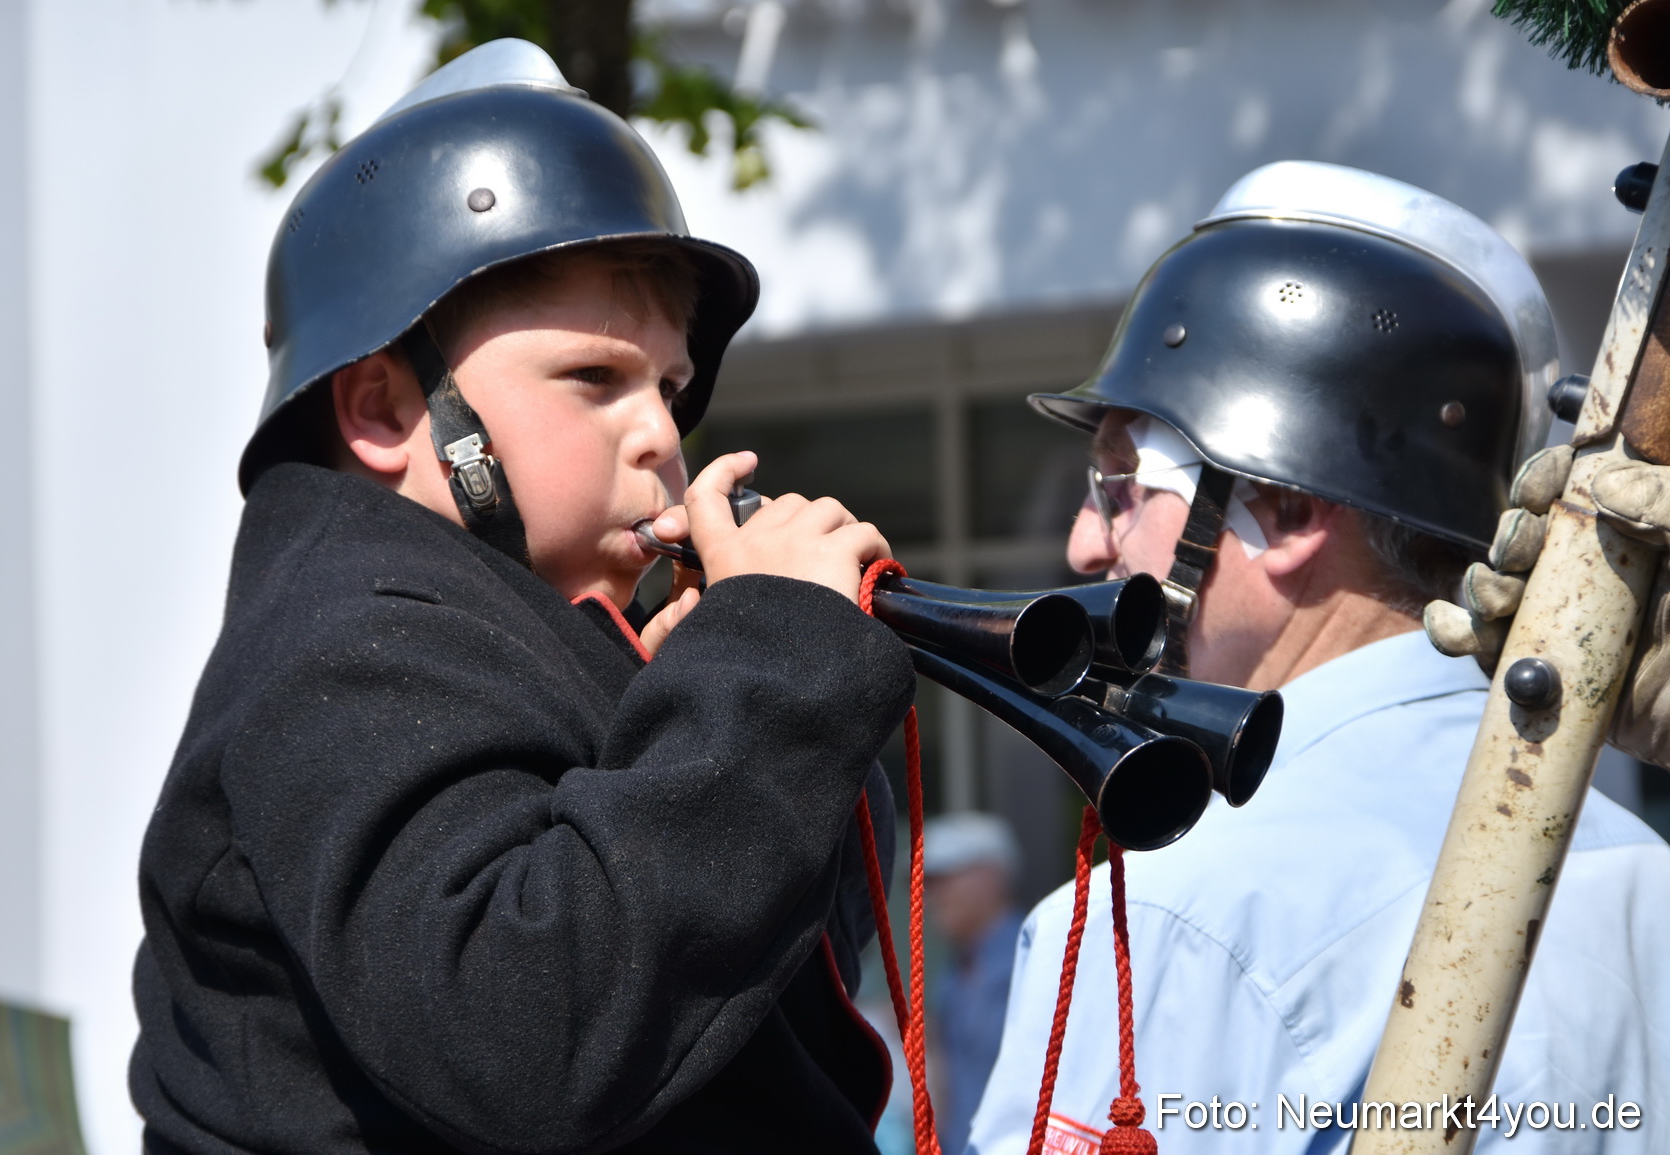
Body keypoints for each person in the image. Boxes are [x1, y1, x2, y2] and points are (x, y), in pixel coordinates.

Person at [130, 41, 914, 1154]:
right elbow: (531, 1034)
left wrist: (711, 706)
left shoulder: (491, 630)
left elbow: (736, 1002)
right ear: (382, 411)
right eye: (595, 377)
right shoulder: (354, 642)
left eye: (670, 387)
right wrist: (765, 676)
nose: (661, 434)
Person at [966, 162, 1670, 1153]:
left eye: (1119, 485)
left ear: (1288, 511)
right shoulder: (1644, 872)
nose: (1087, 543)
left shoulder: (1167, 915)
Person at [921, 813, 1025, 1155]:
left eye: (944, 878)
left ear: (991, 876)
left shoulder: (1038, 957)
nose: (930, 895)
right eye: (927, 883)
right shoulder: (955, 969)